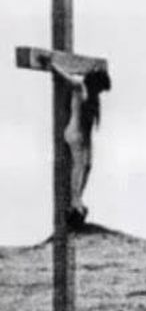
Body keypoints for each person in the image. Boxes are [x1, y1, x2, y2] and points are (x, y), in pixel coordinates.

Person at [43, 57, 111, 229]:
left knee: (88, 165)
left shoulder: (92, 96)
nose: (100, 92)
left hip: (83, 134)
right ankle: (75, 202)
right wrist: (52, 65)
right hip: (75, 133)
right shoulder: (81, 87)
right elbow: (67, 78)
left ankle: (78, 198)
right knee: (79, 166)